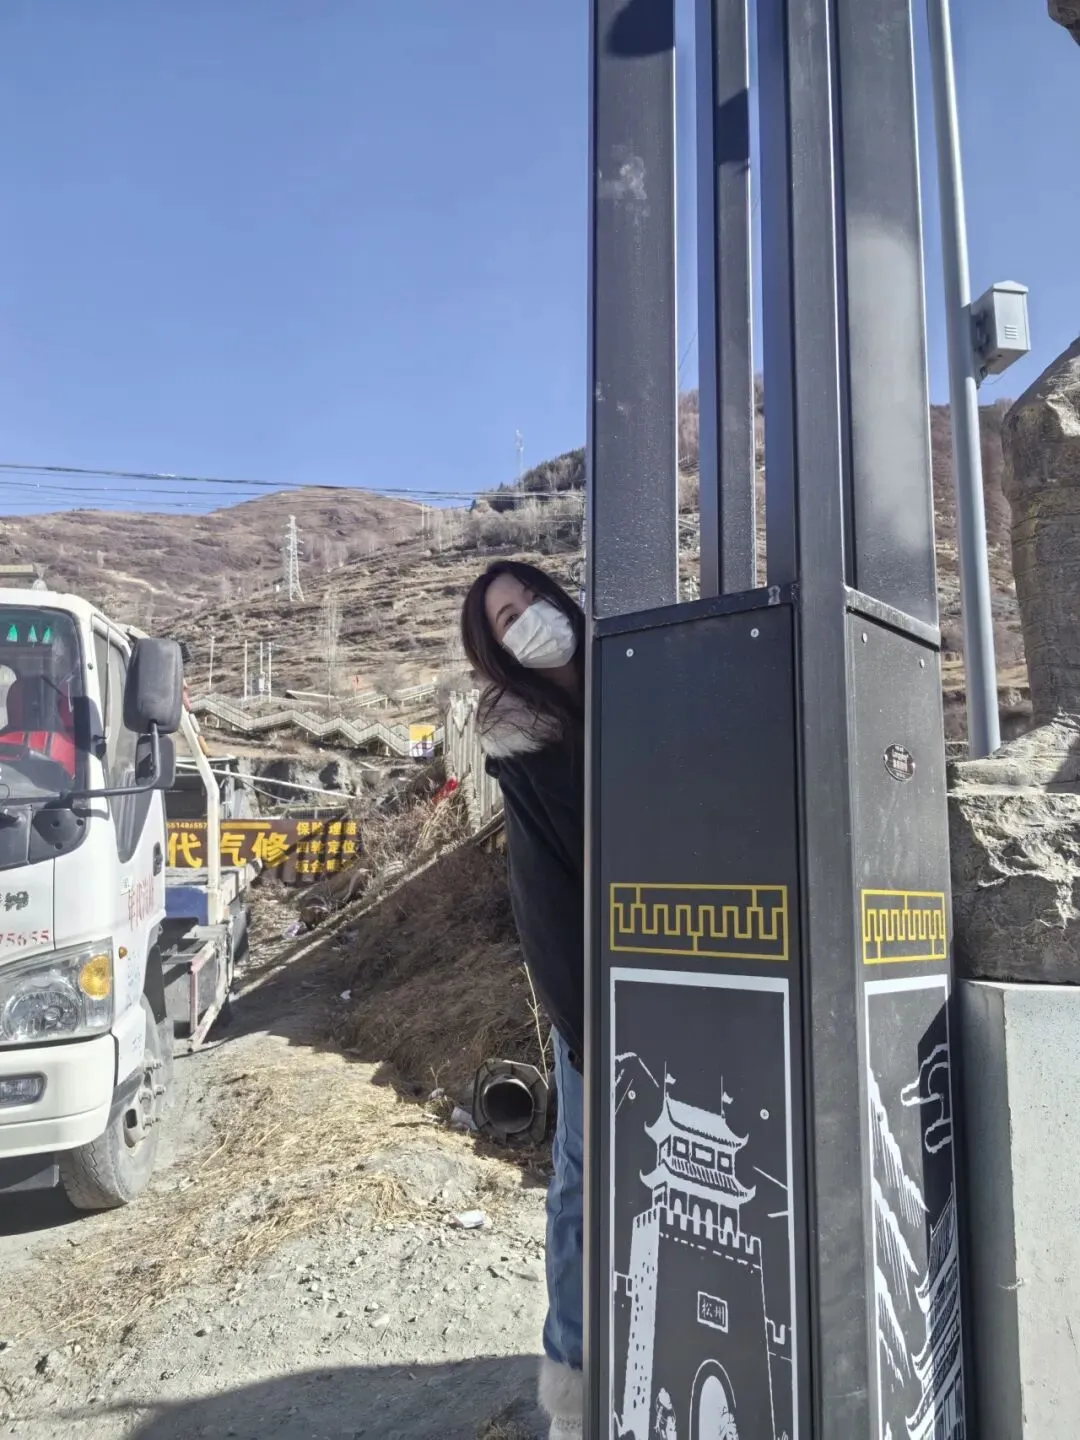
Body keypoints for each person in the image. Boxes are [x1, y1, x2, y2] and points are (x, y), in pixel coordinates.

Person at [460, 560, 585, 1440]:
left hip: (678, 963)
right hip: (589, 991)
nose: (527, 619)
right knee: (580, 1182)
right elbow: (548, 895)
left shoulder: (634, 686)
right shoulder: (526, 745)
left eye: (528, 600)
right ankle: (574, 1389)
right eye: (505, 620)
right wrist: (578, 1023)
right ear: (498, 652)